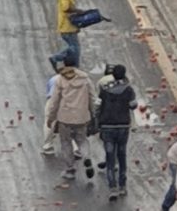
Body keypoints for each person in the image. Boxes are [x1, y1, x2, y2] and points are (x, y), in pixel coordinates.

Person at [44, 54, 98, 184]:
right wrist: (93, 113)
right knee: (82, 140)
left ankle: (70, 169)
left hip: (65, 118)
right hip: (82, 117)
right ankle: (86, 157)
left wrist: (51, 118)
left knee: (66, 143)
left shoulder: (60, 80)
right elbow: (92, 98)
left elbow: (54, 101)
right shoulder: (85, 79)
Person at [97, 63, 137, 200]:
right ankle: (122, 186)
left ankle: (112, 188)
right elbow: (133, 106)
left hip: (107, 127)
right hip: (123, 126)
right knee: (122, 155)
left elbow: (97, 106)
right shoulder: (128, 89)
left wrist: (97, 122)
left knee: (110, 157)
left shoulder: (105, 89)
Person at [55, 0, 85, 66]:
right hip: (66, 27)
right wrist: (78, 11)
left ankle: (72, 65)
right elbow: (66, 8)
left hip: (70, 27)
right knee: (75, 48)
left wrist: (76, 27)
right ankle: (57, 58)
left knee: (74, 48)